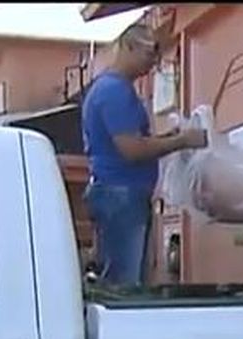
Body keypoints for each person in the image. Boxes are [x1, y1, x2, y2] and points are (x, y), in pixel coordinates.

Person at [82, 23, 207, 286]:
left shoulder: (109, 88)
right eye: (150, 53)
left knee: (123, 275)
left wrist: (168, 138)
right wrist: (182, 140)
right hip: (121, 195)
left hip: (117, 193)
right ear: (128, 46)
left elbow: (129, 143)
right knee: (124, 284)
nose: (154, 61)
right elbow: (132, 150)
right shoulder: (115, 91)